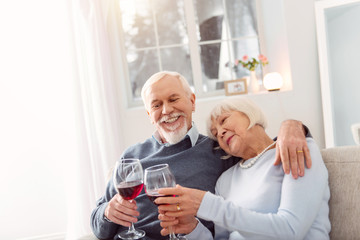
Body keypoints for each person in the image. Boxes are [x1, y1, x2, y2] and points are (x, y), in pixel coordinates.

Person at [90, 71, 312, 240]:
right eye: (157, 105)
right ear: (150, 115)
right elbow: (98, 225)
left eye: (173, 99)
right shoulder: (132, 156)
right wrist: (107, 213)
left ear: (192, 102)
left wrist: (294, 126)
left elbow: (261, 151)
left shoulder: (219, 150)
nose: (166, 110)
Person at [156, 98, 330, 239]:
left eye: (224, 120)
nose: (221, 132)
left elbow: (291, 230)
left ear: (249, 114)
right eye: (216, 134)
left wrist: (207, 204)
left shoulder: (295, 149)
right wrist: (193, 229)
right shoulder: (226, 180)